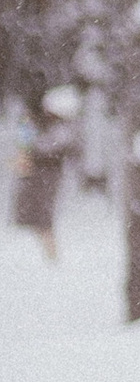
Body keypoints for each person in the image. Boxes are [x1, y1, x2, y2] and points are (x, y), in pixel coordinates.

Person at [10, 90, 79, 262]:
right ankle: (42, 256)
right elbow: (25, 143)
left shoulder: (62, 127)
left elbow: (47, 146)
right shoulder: (38, 121)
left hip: (46, 175)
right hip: (36, 174)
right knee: (31, 217)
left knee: (42, 218)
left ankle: (50, 257)